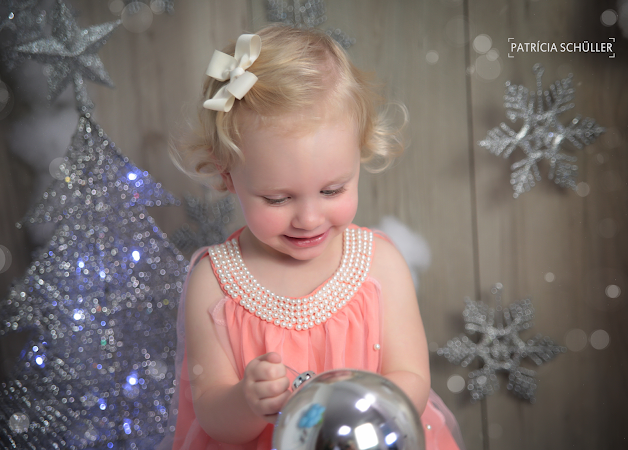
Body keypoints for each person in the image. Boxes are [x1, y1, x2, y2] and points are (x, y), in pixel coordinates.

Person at [162, 25, 465, 450]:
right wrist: (247, 403)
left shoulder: (380, 263)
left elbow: (412, 379)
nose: (308, 218)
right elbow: (212, 418)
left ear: (359, 155)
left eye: (332, 190)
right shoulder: (213, 281)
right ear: (226, 175)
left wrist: (352, 412)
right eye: (277, 197)